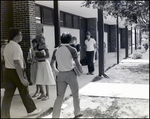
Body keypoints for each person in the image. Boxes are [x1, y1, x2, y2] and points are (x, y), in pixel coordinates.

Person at [1, 28, 42, 118]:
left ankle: (4, 115)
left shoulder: (7, 46)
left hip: (7, 72)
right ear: (15, 36)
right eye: (20, 34)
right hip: (16, 72)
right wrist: (22, 78)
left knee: (7, 95)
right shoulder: (16, 47)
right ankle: (31, 110)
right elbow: (17, 63)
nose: (22, 36)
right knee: (24, 91)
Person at [51, 32, 83, 118]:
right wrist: (80, 70)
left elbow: (51, 64)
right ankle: (77, 113)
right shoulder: (73, 49)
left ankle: (55, 116)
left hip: (60, 74)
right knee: (75, 94)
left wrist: (56, 71)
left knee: (59, 96)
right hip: (71, 74)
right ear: (70, 40)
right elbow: (77, 63)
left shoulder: (56, 50)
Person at [35, 33, 56, 101]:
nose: (40, 40)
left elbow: (48, 56)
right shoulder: (38, 46)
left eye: (41, 38)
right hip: (39, 64)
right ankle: (42, 93)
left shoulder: (45, 46)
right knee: (39, 78)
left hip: (44, 63)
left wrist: (39, 58)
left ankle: (47, 94)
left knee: (46, 79)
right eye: (39, 39)